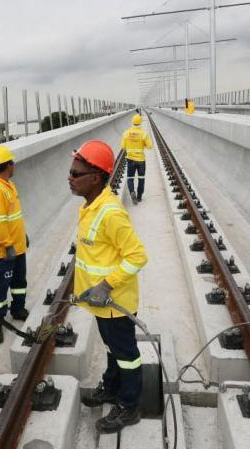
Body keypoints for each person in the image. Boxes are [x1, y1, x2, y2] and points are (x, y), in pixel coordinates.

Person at [69, 140, 148, 433]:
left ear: (96, 177)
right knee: (112, 349)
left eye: (76, 173)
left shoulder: (111, 213)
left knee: (127, 356)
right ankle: (112, 387)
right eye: (71, 172)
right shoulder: (91, 207)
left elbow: (138, 256)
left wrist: (106, 285)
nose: (70, 177)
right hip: (100, 303)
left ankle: (129, 407)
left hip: (115, 303)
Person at [0, 145, 30, 344]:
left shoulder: (7, 185)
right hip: (3, 251)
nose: (14, 166)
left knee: (19, 281)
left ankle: (18, 309)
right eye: (13, 163)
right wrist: (8, 245)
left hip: (16, 246)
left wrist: (22, 237)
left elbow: (14, 217)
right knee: (1, 287)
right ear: (8, 165)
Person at [120, 114, 153, 204]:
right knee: (141, 178)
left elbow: (123, 147)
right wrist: (143, 144)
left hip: (130, 159)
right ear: (140, 123)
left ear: (132, 122)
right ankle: (139, 197)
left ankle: (132, 192)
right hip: (141, 160)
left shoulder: (126, 133)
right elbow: (150, 146)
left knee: (130, 178)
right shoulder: (143, 133)